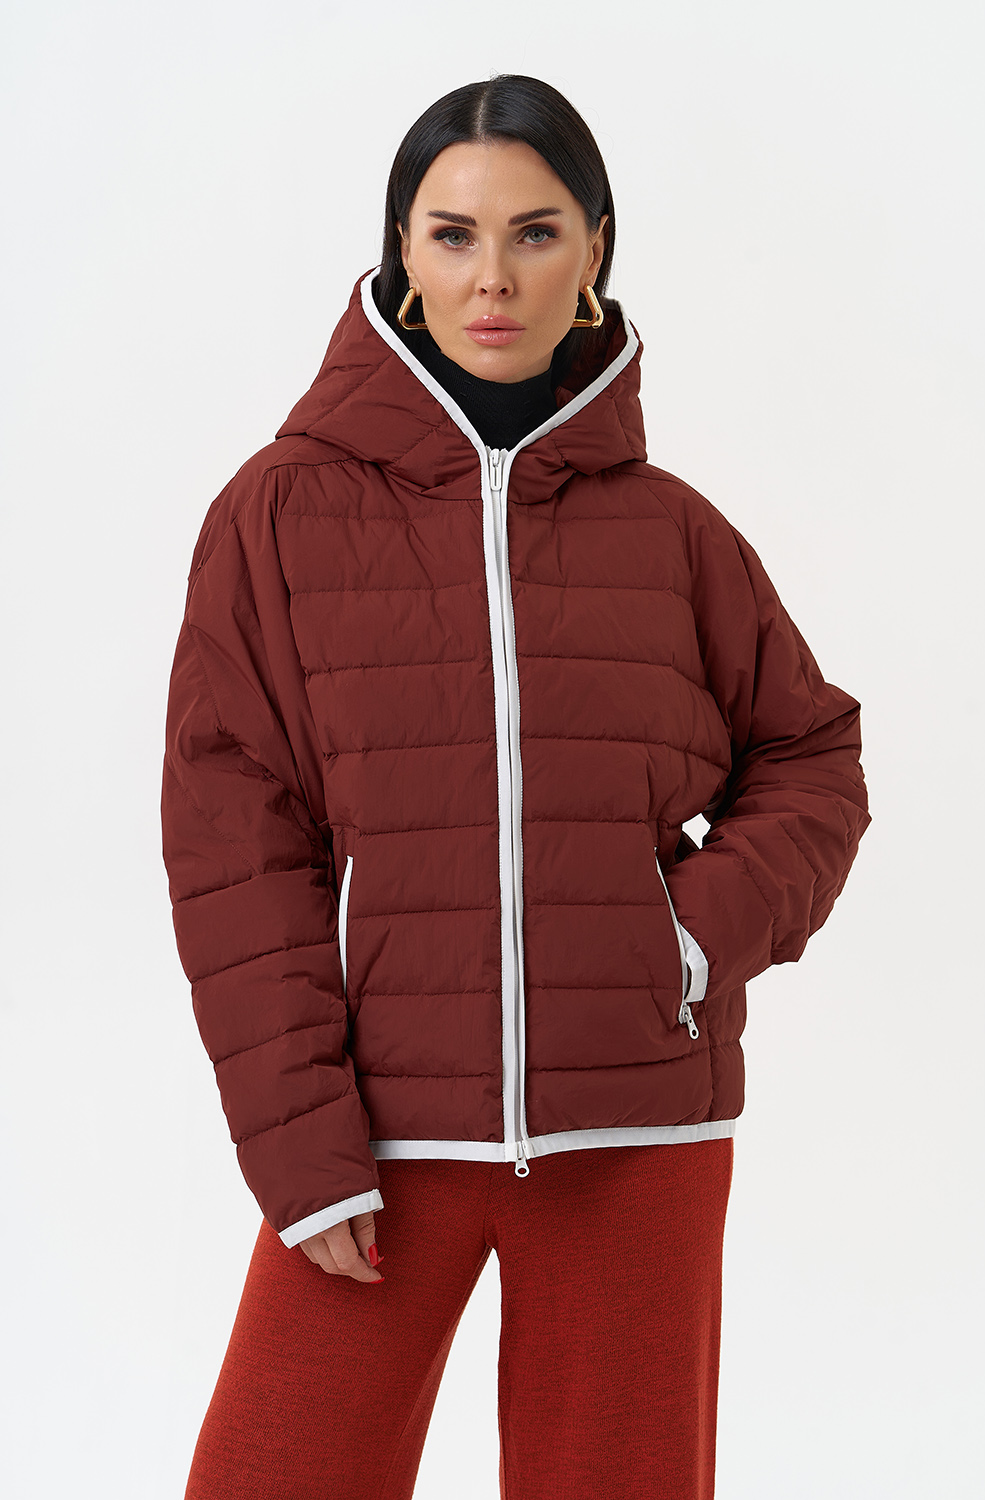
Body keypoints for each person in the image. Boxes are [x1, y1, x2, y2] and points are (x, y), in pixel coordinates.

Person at [161, 73, 870, 1500]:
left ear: (594, 249)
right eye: (454, 234)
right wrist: (303, 1148)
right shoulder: (278, 516)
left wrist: (683, 942)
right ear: (401, 256)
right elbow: (239, 848)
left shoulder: (674, 536)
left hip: (638, 1129)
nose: (494, 277)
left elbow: (812, 757)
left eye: (536, 233)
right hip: (377, 1130)